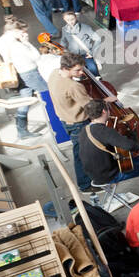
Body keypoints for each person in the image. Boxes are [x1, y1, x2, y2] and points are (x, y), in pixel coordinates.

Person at [48, 53, 101, 190]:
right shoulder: (73, 86)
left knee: (82, 153)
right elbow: (91, 106)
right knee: (81, 155)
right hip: (79, 124)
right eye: (77, 70)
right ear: (66, 68)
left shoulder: (54, 74)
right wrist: (105, 100)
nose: (82, 72)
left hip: (66, 120)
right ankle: (85, 186)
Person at [0, 16, 50, 140]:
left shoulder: (1, 41)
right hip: (29, 73)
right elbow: (36, 57)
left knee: (25, 100)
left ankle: (22, 130)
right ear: (15, 31)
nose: (25, 33)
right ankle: (58, 122)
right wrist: (26, 42)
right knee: (48, 96)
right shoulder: (16, 44)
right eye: (23, 31)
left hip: (19, 74)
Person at [59, 10, 103, 76]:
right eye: (68, 20)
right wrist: (62, 50)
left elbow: (97, 39)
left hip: (86, 54)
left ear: (76, 17)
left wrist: (92, 52)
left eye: (72, 19)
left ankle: (99, 84)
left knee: (93, 70)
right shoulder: (64, 29)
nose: (70, 22)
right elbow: (63, 41)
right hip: (74, 56)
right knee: (79, 74)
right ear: (64, 19)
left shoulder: (85, 27)